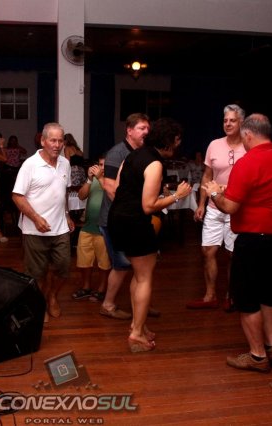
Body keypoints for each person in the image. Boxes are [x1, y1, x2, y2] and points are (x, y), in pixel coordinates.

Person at [203, 113, 272, 373]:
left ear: (248, 135)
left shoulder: (248, 162)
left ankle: (257, 356)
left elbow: (230, 207)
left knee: (246, 299)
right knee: (268, 297)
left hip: (255, 240)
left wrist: (214, 193)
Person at [108, 118, 192, 352]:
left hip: (118, 219)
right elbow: (148, 206)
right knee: (145, 277)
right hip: (135, 223)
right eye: (176, 140)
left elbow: (119, 188)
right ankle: (136, 334)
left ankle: (139, 325)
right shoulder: (155, 163)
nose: (178, 144)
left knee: (138, 275)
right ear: (167, 140)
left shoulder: (132, 155)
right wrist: (177, 195)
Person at [12, 123, 75, 322]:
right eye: (52, 140)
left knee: (63, 268)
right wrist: (36, 218)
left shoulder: (65, 163)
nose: (57, 145)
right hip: (34, 230)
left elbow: (63, 192)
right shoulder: (30, 165)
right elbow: (17, 196)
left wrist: (67, 215)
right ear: (43, 141)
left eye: (60, 141)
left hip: (60, 228)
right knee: (36, 274)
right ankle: (40, 305)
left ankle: (52, 296)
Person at [188, 104, 247, 311]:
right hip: (214, 206)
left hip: (235, 207)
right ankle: (210, 295)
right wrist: (201, 204)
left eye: (232, 120)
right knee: (208, 251)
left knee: (233, 254)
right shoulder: (214, 145)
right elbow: (207, 176)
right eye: (225, 120)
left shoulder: (248, 146)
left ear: (241, 123)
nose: (228, 124)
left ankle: (231, 295)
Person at [98, 113, 150, 320]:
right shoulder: (117, 153)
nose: (146, 132)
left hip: (132, 219)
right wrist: (132, 210)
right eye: (142, 128)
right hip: (114, 219)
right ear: (129, 130)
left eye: (148, 128)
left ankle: (140, 304)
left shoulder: (142, 152)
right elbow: (110, 187)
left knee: (140, 264)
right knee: (121, 264)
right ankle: (108, 305)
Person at [71, 155, 111, 302]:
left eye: (105, 165)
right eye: (100, 164)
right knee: (84, 260)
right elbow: (81, 196)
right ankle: (86, 287)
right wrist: (89, 179)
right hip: (88, 226)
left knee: (104, 263)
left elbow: (113, 197)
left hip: (104, 227)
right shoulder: (93, 180)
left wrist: (100, 178)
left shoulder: (113, 181)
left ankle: (102, 289)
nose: (101, 167)